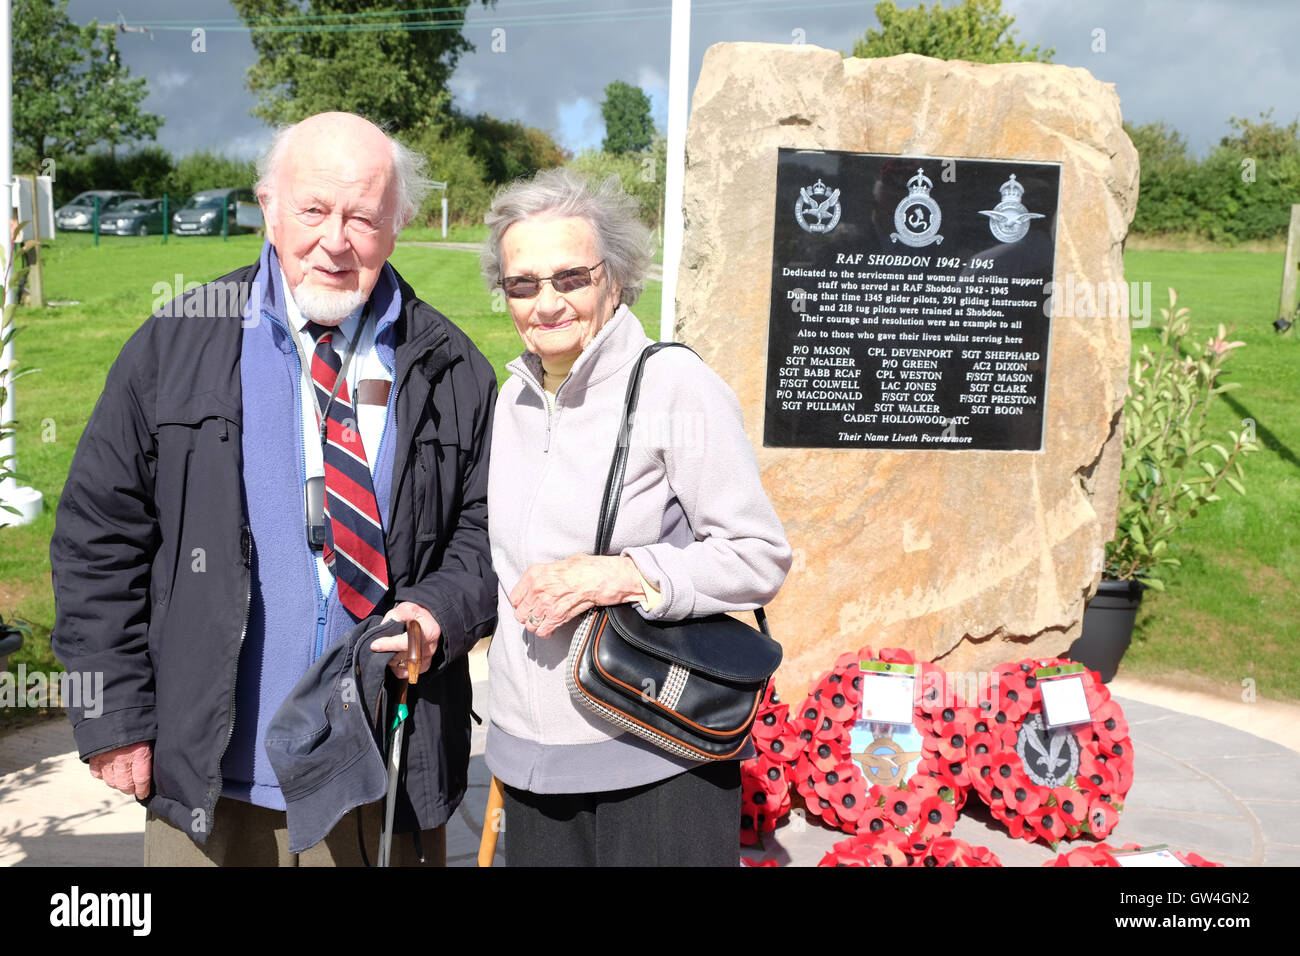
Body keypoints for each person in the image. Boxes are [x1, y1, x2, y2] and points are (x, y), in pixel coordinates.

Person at [49, 112, 498, 866]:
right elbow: (97, 537)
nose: (334, 239)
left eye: (361, 216)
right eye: (314, 209)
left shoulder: (454, 367)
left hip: (378, 776)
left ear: (397, 227)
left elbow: (488, 531)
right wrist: (113, 715)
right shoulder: (178, 343)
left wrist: (440, 612)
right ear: (269, 206)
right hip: (209, 786)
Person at [481, 168, 792, 866]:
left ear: (614, 280)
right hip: (530, 759)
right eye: (522, 284)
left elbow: (758, 554)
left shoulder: (672, 385)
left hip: (652, 751)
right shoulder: (512, 401)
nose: (547, 301)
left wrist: (620, 574)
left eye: (571, 277)